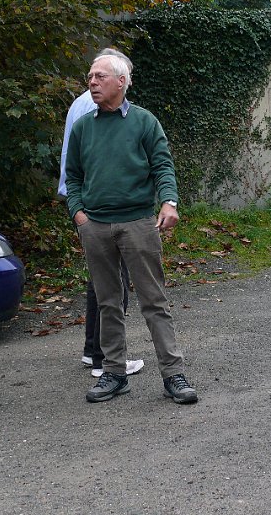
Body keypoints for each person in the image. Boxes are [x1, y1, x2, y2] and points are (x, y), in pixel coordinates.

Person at [66, 53, 198, 404]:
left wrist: (169, 201)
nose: (92, 82)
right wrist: (79, 214)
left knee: (154, 301)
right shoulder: (83, 127)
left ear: (121, 81)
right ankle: (113, 373)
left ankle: (174, 375)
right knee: (108, 302)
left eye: (100, 77)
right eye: (90, 76)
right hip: (95, 226)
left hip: (138, 223)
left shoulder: (144, 122)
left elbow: (163, 166)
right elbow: (73, 176)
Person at [58, 48, 143, 379]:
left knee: (102, 280)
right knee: (111, 283)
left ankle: (94, 350)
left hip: (85, 205)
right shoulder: (92, 108)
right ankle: (103, 357)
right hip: (94, 209)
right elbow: (83, 165)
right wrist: (80, 212)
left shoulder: (82, 102)